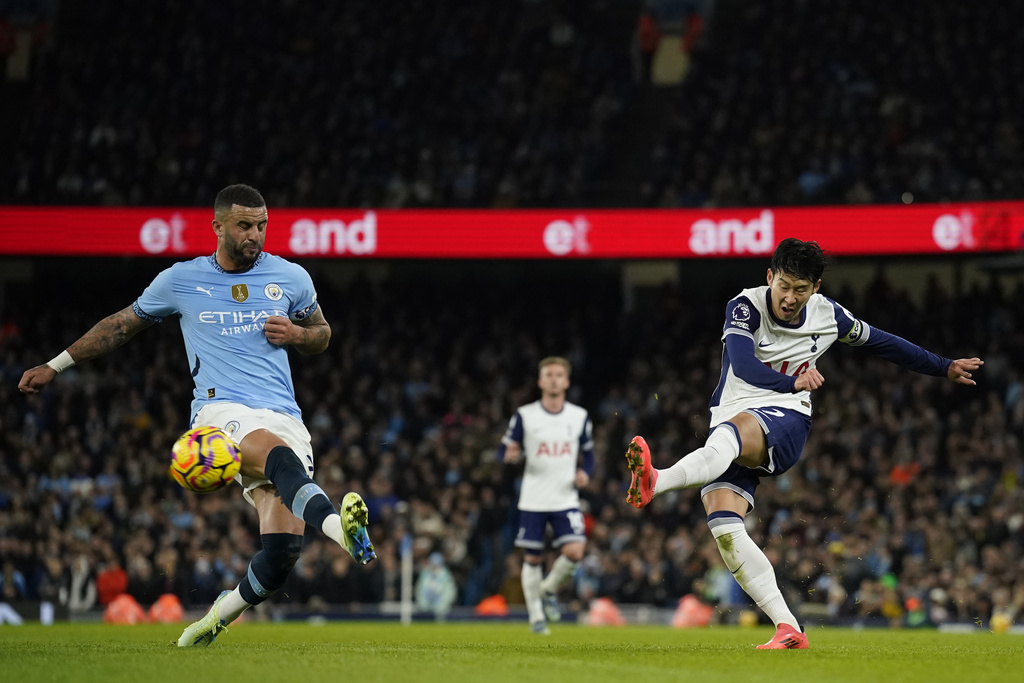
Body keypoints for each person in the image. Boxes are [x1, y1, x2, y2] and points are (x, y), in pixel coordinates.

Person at [18, 183, 376, 646]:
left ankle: (211, 621)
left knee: (282, 552)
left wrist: (297, 335)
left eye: (262, 225)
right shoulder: (181, 280)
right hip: (219, 411)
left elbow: (323, 333)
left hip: (283, 411)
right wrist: (55, 364)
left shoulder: (291, 277)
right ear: (218, 226)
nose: (256, 235)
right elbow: (121, 325)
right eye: (245, 225)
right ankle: (346, 537)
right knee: (275, 455)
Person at [623, 238, 983, 649]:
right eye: (785, 286)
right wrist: (791, 378)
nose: (791, 298)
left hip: (785, 420)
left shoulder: (829, 315)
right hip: (732, 425)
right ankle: (787, 626)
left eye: (801, 289)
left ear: (816, 287)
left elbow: (885, 343)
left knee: (735, 431)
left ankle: (657, 479)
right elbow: (743, 365)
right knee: (724, 527)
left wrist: (943, 366)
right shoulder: (745, 306)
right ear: (770, 277)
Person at [497, 356, 595, 635]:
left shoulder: (579, 417)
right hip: (534, 497)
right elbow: (503, 450)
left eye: (558, 375)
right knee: (532, 558)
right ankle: (536, 618)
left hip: (565, 496)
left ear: (566, 381)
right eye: (548, 375)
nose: (553, 379)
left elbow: (589, 454)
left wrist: (585, 473)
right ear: (540, 381)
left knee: (575, 550)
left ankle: (548, 589)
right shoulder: (525, 415)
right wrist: (510, 456)